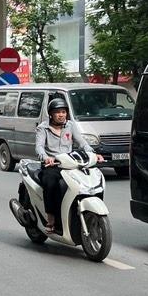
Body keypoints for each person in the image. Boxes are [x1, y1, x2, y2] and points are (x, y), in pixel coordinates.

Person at [35, 95, 102, 233]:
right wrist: (46, 158)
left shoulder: (70, 125)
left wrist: (93, 154)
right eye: (57, 112)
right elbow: (39, 147)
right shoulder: (43, 128)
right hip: (52, 166)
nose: (61, 115)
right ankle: (51, 219)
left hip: (70, 164)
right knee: (51, 183)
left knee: (87, 181)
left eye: (63, 112)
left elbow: (82, 142)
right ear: (51, 114)